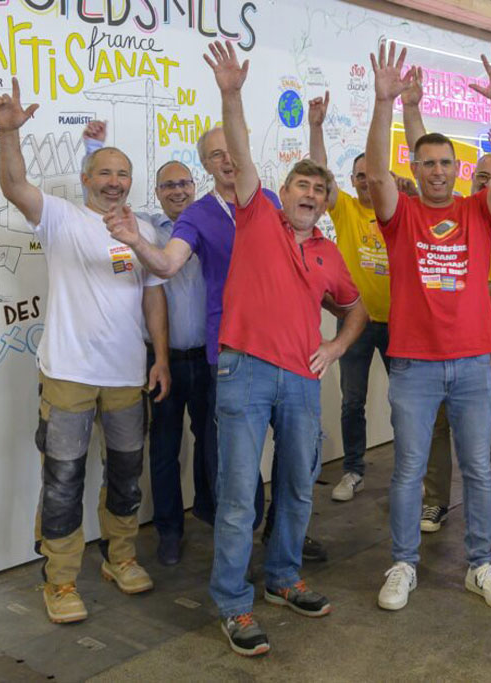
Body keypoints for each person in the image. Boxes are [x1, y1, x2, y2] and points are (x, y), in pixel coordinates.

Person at [117, 41, 366, 656]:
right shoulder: (256, 213)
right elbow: (242, 158)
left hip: (302, 378)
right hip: (243, 371)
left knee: (300, 485)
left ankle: (282, 577)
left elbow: (355, 307)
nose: (307, 195)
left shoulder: (325, 250)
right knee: (235, 495)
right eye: (300, 187)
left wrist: (335, 348)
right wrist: (231, 93)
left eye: (317, 192)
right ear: (280, 191)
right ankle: (233, 601)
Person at [0, 78, 170, 623]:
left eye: (123, 175)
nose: (114, 183)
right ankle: (61, 580)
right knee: (63, 478)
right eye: (105, 174)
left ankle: (120, 558)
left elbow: (153, 300)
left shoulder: (141, 230)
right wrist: (8, 135)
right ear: (86, 178)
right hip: (68, 373)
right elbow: (15, 185)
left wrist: (159, 357)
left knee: (124, 474)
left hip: (124, 377)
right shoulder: (62, 218)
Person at [366, 42, 491, 613]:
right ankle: (403, 563)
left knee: (481, 470)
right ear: (415, 168)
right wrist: (384, 101)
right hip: (412, 364)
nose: (436, 171)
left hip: (472, 362)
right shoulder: (400, 214)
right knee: (409, 469)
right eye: (426, 163)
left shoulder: (478, 211)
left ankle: (481, 564)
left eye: (445, 163)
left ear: (457, 170)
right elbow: (377, 170)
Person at [303, 90, 453, 507]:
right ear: (351, 182)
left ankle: (415, 474)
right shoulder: (346, 210)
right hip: (356, 323)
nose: (367, 181)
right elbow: (319, 175)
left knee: (405, 404)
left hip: (402, 323)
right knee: (353, 401)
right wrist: (316, 127)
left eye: (374, 174)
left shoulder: (401, 208)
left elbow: (430, 188)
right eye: (359, 176)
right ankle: (353, 470)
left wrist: (411, 108)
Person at [82, 122, 205, 567]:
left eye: (184, 183)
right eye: (168, 184)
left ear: (196, 187)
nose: (177, 190)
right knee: (164, 451)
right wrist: (93, 148)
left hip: (210, 361)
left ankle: (212, 517)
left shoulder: (212, 225)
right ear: (157, 191)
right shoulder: (148, 228)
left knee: (213, 445)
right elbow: (96, 205)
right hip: (162, 361)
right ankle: (170, 531)